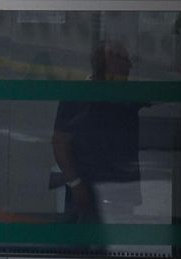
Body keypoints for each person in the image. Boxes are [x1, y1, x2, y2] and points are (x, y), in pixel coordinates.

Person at [53, 40, 141, 224]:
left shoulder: (128, 96)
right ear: (110, 63)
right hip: (86, 187)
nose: (130, 66)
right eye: (125, 60)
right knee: (79, 243)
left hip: (121, 186)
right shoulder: (78, 96)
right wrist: (76, 185)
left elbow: (166, 95)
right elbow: (60, 143)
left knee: (115, 245)